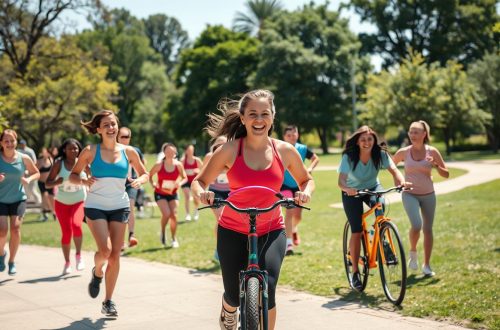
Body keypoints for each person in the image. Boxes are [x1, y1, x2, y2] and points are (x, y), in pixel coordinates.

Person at [191, 89, 314, 330]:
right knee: (234, 295)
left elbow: (306, 180)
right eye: (253, 114)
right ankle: (228, 309)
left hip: (271, 227)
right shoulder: (228, 150)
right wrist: (202, 194)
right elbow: (199, 181)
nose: (259, 120)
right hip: (232, 228)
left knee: (268, 286)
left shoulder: (284, 151)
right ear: (243, 117)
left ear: (273, 117)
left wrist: (305, 192)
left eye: (265, 114)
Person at [70, 110, 148, 316]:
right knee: (104, 251)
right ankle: (97, 273)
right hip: (95, 205)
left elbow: (145, 173)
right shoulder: (90, 151)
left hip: (120, 206)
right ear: (98, 130)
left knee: (115, 255)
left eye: (113, 124)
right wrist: (83, 181)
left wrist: (140, 180)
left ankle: (108, 301)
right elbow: (73, 175)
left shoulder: (129, 152)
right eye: (106, 125)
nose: (111, 128)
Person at [338, 125, 410, 291]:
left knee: (380, 207)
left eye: (370, 139)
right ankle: (355, 272)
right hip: (352, 192)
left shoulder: (380, 154)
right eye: (363, 139)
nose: (366, 142)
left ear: (374, 140)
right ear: (357, 141)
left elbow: (394, 170)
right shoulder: (349, 156)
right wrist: (347, 189)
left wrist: (401, 181)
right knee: (356, 230)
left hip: (372, 187)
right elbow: (341, 181)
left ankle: (382, 238)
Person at [392, 121, 448, 276]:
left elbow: (446, 174)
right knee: (416, 225)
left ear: (424, 134)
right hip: (409, 193)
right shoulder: (404, 152)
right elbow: (391, 166)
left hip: (429, 195)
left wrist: (436, 165)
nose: (412, 135)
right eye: (411, 131)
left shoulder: (433, 152)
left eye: (416, 132)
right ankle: (413, 252)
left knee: (428, 229)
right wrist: (397, 181)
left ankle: (427, 265)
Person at [46, 139, 89, 275]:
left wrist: (89, 181)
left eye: (76, 148)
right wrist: (56, 182)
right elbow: (47, 183)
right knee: (66, 233)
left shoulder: (82, 162)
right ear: (64, 150)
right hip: (62, 203)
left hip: (79, 201)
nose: (74, 151)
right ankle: (67, 263)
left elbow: (92, 176)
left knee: (76, 225)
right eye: (70, 149)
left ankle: (78, 255)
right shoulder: (59, 164)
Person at [0, 129, 40, 275]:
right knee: (2, 231)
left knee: (16, 229)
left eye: (12, 141)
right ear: (1, 143)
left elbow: (37, 173)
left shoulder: (23, 158)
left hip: (18, 198)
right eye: (6, 141)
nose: (10, 144)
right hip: (1, 200)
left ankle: (11, 261)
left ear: (16, 142)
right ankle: (1, 254)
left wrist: (28, 179)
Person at [280, 125, 319, 256]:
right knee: (290, 212)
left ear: (298, 134)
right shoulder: (281, 149)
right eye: (288, 135)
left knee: (297, 216)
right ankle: (288, 244)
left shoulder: (302, 148)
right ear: (284, 137)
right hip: (284, 186)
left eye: (294, 134)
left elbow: (315, 158)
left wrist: (310, 169)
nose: (292, 137)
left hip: (299, 185)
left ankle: (294, 228)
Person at [149, 143, 186, 248]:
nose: (170, 154)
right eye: (168, 152)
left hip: (173, 193)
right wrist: (153, 184)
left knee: (174, 215)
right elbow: (150, 175)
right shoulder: (159, 164)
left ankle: (174, 239)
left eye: (172, 152)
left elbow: (185, 177)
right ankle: (163, 232)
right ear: (164, 153)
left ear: (175, 153)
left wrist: (179, 183)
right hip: (160, 193)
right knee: (166, 214)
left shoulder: (178, 165)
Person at [117, 127, 146, 248]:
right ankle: (120, 241)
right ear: (117, 137)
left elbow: (143, 167)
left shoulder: (135, 151)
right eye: (122, 137)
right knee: (118, 211)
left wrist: (139, 179)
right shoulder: (112, 151)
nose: (125, 139)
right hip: (116, 185)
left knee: (130, 208)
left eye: (127, 137)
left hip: (130, 184)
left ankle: (131, 235)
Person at [202, 136, 230, 261]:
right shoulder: (209, 157)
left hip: (231, 191)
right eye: (218, 146)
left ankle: (229, 247)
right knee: (221, 219)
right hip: (215, 191)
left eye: (223, 145)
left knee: (229, 221)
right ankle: (219, 249)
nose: (220, 148)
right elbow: (202, 174)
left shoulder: (232, 155)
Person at [180, 144, 203, 221]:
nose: (190, 152)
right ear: (186, 151)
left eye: (191, 150)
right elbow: (179, 171)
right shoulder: (183, 161)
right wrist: (184, 172)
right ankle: (187, 215)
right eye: (188, 150)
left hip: (194, 182)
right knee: (187, 196)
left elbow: (203, 170)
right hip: (185, 181)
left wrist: (197, 170)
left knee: (195, 198)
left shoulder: (197, 160)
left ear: (193, 151)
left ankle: (196, 211)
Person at [17, 139, 42, 205]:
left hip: (31, 173)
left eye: (23, 144)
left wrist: (28, 170)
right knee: (25, 190)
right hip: (22, 173)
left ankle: (40, 204)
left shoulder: (30, 151)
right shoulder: (18, 151)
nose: (22, 145)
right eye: (21, 144)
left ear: (25, 144)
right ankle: (25, 205)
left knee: (33, 189)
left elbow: (34, 162)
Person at [36, 147, 56, 221]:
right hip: (41, 182)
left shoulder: (51, 160)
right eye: (43, 152)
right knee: (44, 196)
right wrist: (39, 166)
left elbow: (55, 170)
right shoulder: (39, 161)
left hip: (50, 182)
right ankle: (45, 214)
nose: (44, 153)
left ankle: (54, 212)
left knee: (51, 198)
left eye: (45, 152)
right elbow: (35, 170)